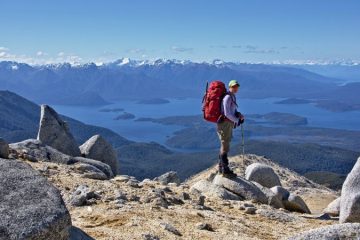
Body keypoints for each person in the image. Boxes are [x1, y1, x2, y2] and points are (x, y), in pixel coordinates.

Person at [216, 80, 244, 177]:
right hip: (224, 124)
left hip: (227, 124)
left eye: (237, 86)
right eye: (233, 86)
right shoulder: (227, 97)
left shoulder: (232, 96)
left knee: (224, 145)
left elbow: (232, 110)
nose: (235, 88)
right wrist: (237, 120)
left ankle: (221, 167)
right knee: (225, 146)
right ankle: (225, 169)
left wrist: (238, 114)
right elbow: (227, 113)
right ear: (230, 87)